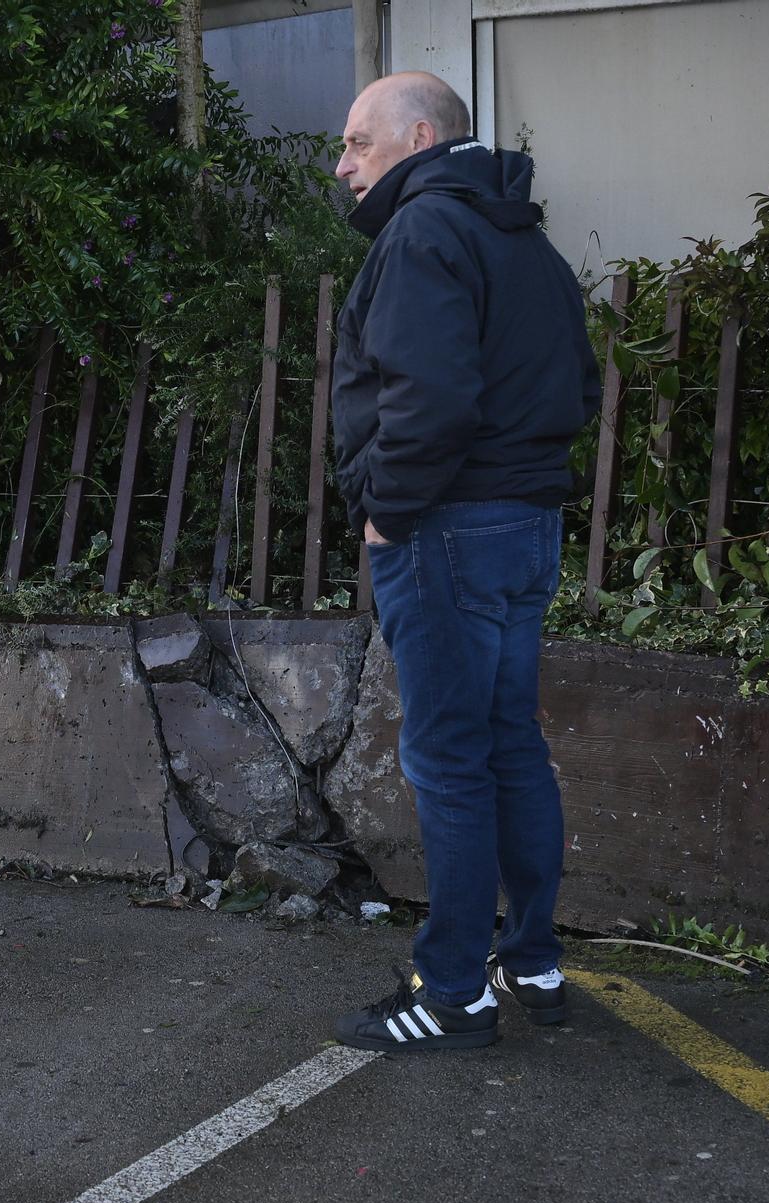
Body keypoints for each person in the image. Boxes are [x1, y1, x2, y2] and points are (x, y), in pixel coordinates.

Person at [326, 73, 600, 1053]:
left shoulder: (423, 233)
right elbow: (578, 380)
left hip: (443, 530)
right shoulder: (519, 234)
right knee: (506, 745)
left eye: (356, 143)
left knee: (447, 760)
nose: (341, 163)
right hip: (522, 527)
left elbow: (429, 399)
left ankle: (451, 994)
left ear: (415, 134)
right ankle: (530, 960)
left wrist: (384, 518)